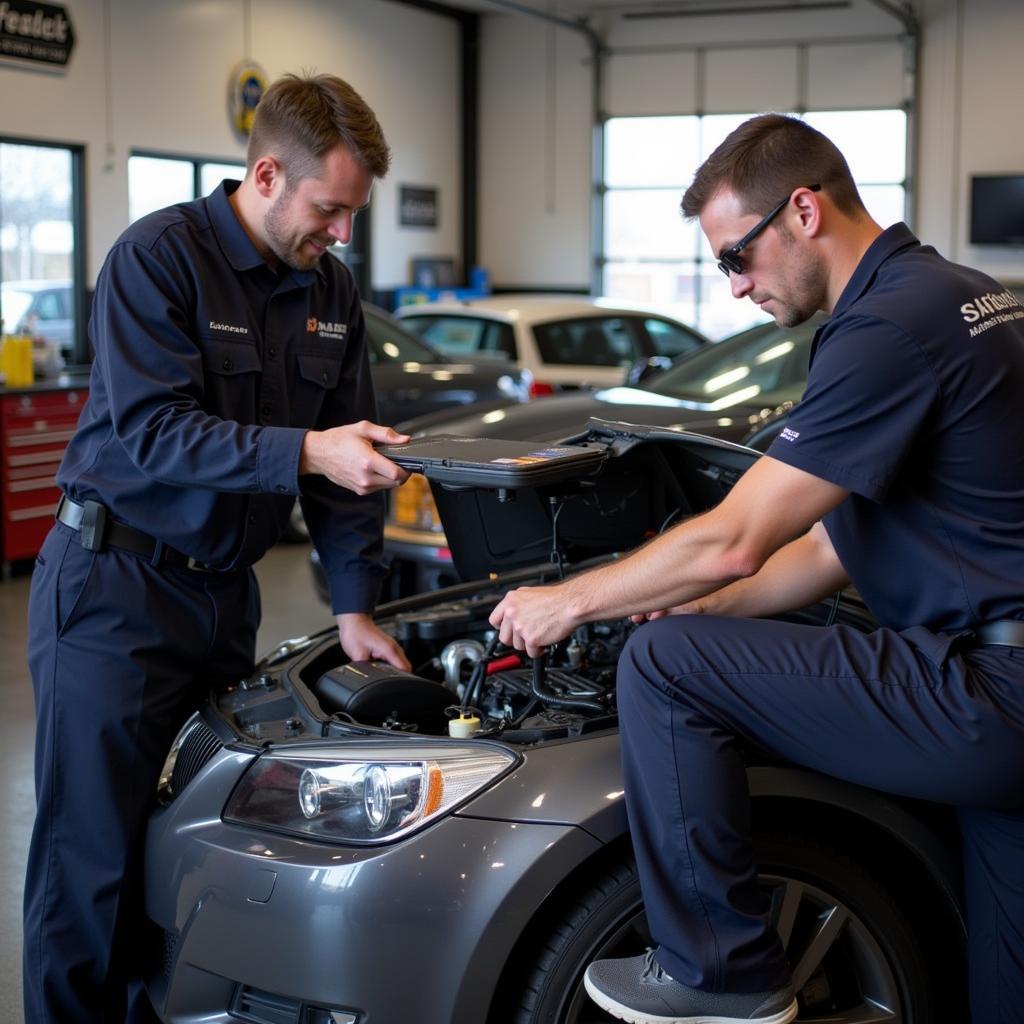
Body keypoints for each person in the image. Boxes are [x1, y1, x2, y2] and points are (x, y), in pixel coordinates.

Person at [490, 113, 1024, 1024]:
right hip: (1003, 695)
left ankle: (720, 972)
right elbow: (822, 548)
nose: (734, 288)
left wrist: (571, 602)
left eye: (736, 256)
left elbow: (736, 536)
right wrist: (710, 614)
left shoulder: (888, 327)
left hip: (990, 693)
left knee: (664, 669)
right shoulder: (956, 294)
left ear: (804, 211)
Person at [24, 73, 413, 1023]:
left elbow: (346, 450)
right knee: (92, 866)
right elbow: (153, 432)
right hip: (115, 589)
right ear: (268, 173)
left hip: (221, 599)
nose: (343, 234)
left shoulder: (331, 289)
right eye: (330, 209)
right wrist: (308, 450)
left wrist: (355, 605)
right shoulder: (157, 260)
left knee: (189, 849)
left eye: (355, 214)